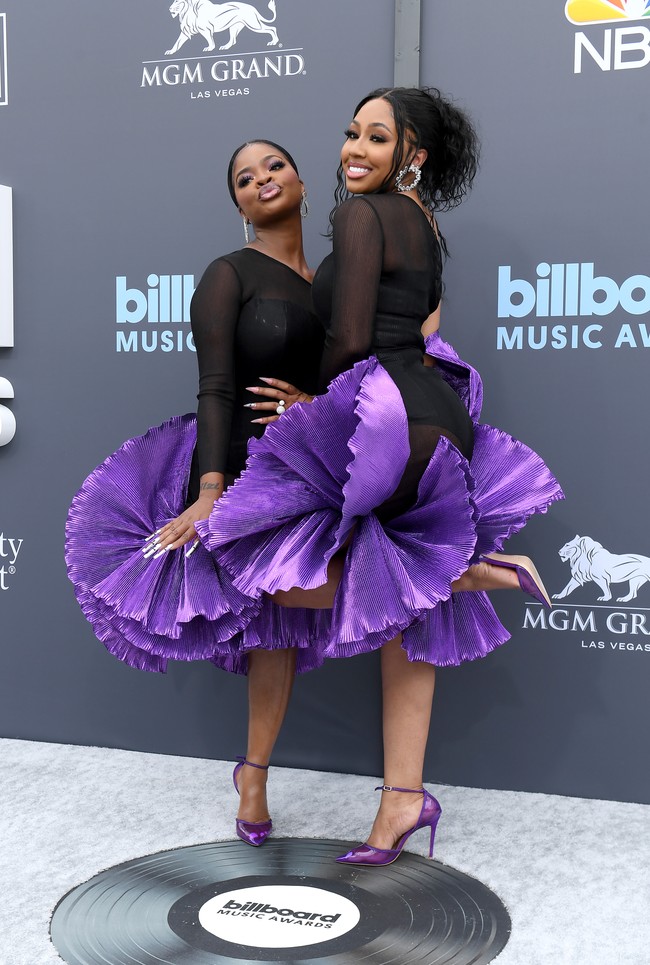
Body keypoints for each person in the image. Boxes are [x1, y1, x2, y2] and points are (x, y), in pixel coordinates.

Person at [197, 88, 563, 865]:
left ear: (413, 156)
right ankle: (404, 799)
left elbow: (355, 339)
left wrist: (314, 403)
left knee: (262, 577)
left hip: (386, 420)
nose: (354, 149)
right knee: (399, 601)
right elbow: (424, 323)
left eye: (376, 137)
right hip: (438, 418)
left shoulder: (358, 217)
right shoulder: (426, 224)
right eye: (349, 133)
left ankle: (478, 573)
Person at [65, 139, 327, 846]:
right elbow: (215, 385)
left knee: (280, 630)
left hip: (310, 469)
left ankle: (253, 770)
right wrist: (210, 489)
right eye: (245, 178)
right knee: (271, 616)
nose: (262, 180)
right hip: (241, 467)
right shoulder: (227, 274)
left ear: (303, 180)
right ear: (239, 205)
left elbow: (351, 379)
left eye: (274, 166)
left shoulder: (333, 282)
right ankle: (257, 780)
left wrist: (312, 400)